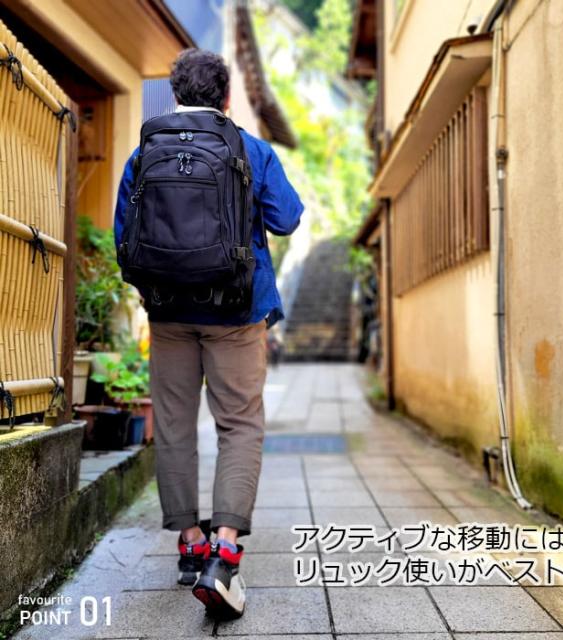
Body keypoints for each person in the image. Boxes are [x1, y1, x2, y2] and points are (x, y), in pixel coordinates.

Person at [113, 48, 304, 619]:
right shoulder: (252, 149)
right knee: (239, 424)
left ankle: (190, 544)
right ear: (226, 97)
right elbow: (287, 218)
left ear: (176, 94)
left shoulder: (144, 152)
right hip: (236, 312)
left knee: (173, 426)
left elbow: (125, 239)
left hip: (169, 313)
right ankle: (224, 551)